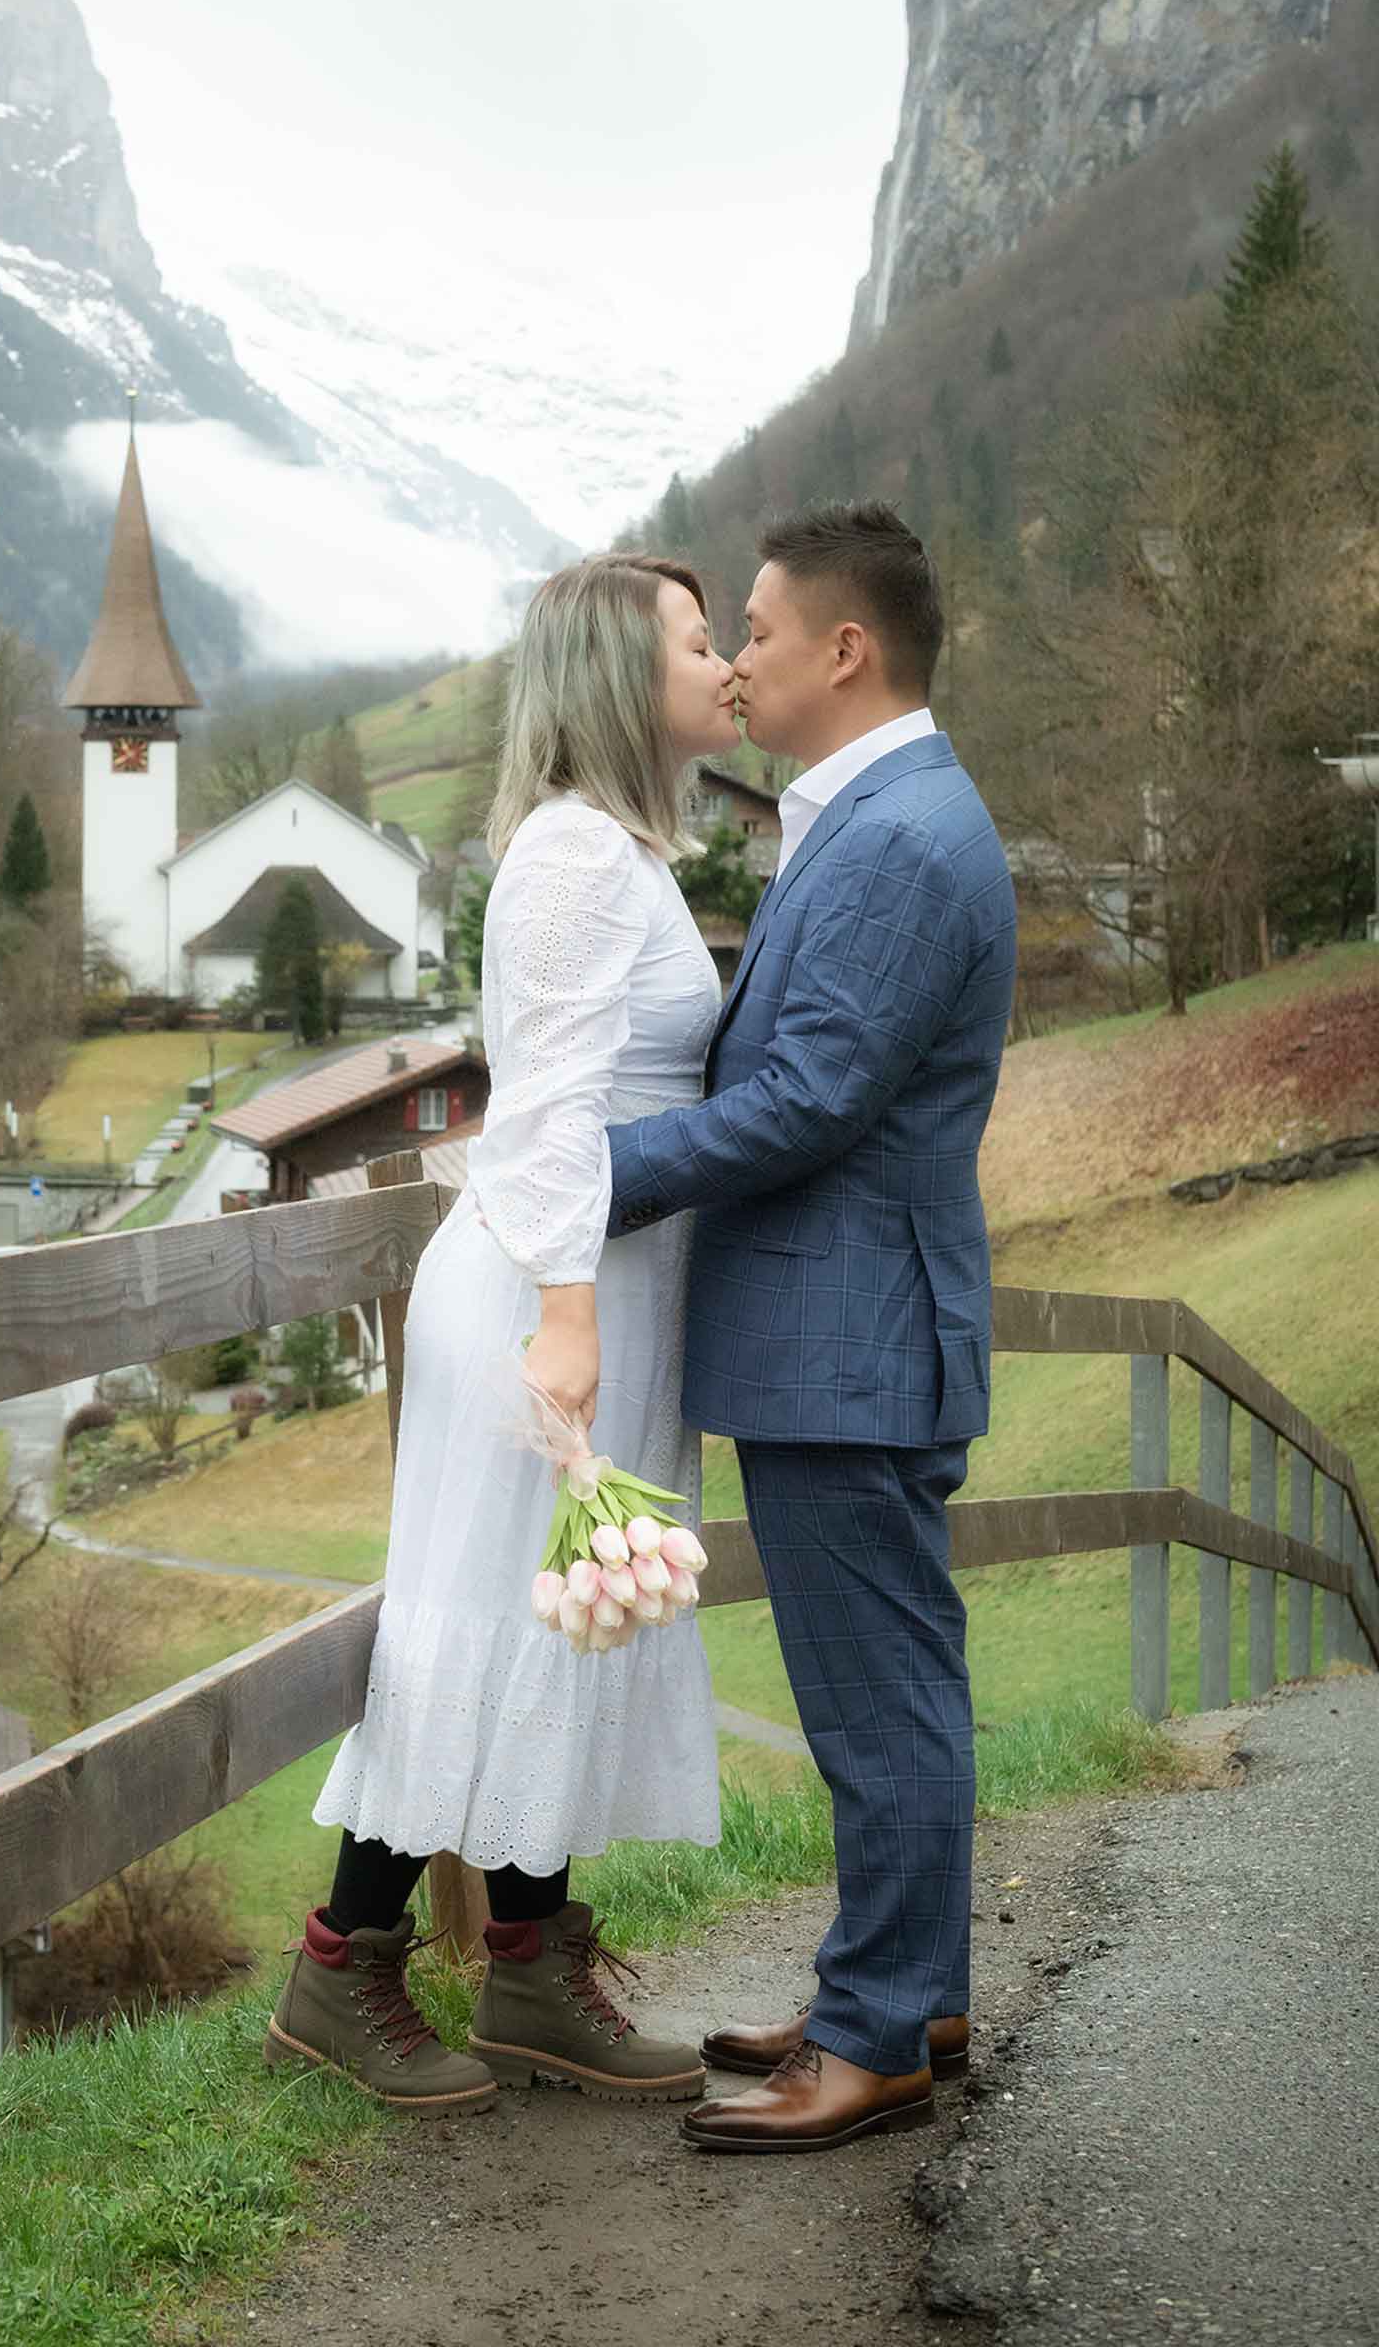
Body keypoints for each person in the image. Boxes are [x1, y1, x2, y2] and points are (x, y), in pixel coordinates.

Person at [264, 553, 736, 2115]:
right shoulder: (573, 861)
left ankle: (529, 1967)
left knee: (560, 1623)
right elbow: (541, 1120)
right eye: (693, 636)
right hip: (552, 1308)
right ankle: (342, 1967)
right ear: (617, 675)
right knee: (474, 1622)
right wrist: (571, 1322)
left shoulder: (625, 852)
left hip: (600, 1300)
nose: (723, 655)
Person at [606, 500, 1017, 2154]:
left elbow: (806, 1100)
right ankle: (899, 1992)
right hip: (845, 1334)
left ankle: (878, 2041)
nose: (737, 658)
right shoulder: (877, 816)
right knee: (886, 1691)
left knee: (876, 1707)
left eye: (758, 631)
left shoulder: (904, 837)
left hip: (849, 1344)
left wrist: (581, 1172)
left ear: (846, 648)